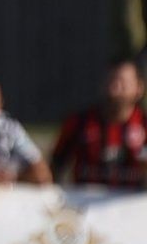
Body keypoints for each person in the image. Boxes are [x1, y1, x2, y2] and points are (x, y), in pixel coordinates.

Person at [51, 58, 147, 188]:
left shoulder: (143, 124)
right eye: (111, 80)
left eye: (123, 83)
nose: (115, 89)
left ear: (139, 88)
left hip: (133, 206)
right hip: (86, 204)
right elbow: (55, 167)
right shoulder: (79, 122)